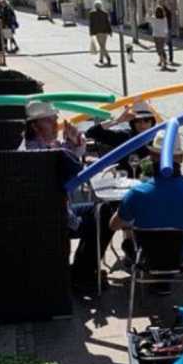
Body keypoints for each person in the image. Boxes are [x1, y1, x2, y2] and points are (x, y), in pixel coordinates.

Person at [23, 101, 114, 292]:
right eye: (50, 120)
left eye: (55, 119)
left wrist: (72, 143)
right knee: (105, 219)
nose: (56, 124)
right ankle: (83, 274)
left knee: (103, 210)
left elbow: (66, 157)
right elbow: (71, 168)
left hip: (53, 212)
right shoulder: (40, 154)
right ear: (34, 126)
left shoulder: (39, 146)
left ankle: (83, 269)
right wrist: (72, 146)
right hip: (55, 219)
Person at [110, 130, 183, 295]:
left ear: (151, 156)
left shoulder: (138, 193)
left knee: (128, 227)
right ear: (181, 158)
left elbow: (113, 225)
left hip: (148, 257)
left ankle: (152, 278)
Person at [85, 100, 157, 177]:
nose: (142, 124)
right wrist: (118, 120)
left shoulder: (159, 138)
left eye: (146, 120)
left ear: (152, 122)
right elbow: (91, 133)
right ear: (133, 123)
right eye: (138, 121)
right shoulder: (125, 136)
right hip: (126, 182)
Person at [89, 0, 113, 66]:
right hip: (105, 32)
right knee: (103, 46)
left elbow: (91, 24)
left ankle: (108, 58)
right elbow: (108, 23)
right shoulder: (105, 13)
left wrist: (91, 33)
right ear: (101, 6)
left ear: (95, 6)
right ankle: (101, 59)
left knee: (102, 46)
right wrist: (110, 31)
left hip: (97, 32)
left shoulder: (92, 13)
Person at [157, 0, 176, 65]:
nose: (161, 3)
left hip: (166, 29)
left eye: (162, 2)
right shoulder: (159, 9)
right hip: (162, 29)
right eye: (160, 2)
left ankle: (169, 59)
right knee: (162, 45)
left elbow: (167, 19)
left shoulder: (166, 10)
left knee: (168, 44)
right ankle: (162, 59)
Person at [150, 6, 170, 71]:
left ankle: (164, 64)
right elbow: (166, 28)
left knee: (159, 50)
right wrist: (166, 35)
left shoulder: (153, 18)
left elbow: (146, 18)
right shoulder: (165, 19)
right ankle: (162, 61)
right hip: (162, 36)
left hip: (156, 36)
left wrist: (150, 11)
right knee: (162, 49)